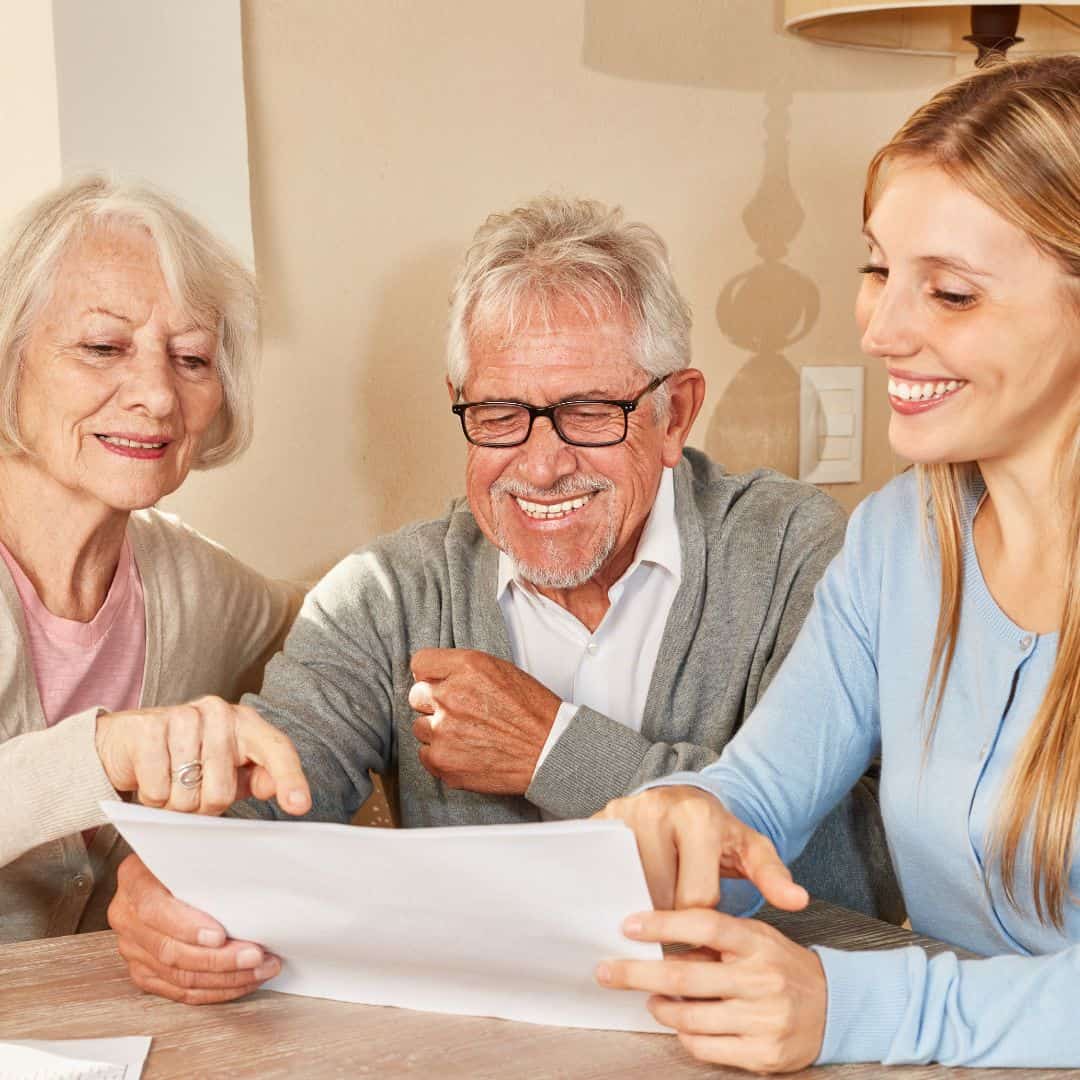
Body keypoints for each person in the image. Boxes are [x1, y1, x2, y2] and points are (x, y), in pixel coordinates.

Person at [106, 195, 901, 1004]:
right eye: (500, 414)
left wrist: (553, 750)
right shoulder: (387, 594)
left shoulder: (794, 550)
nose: (541, 465)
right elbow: (263, 807)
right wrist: (168, 885)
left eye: (590, 411)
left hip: (761, 1038)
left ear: (676, 413)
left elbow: (850, 871)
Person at [596, 55, 1080, 1072]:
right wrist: (688, 828)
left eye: (949, 293)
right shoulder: (899, 538)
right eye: (877, 270)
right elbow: (763, 798)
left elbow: (893, 1006)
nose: (880, 329)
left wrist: (866, 1006)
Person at [0, 176, 312, 943]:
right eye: (104, 347)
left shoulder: (194, 585)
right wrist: (104, 751)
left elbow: (344, 628)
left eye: (192, 359)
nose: (157, 395)